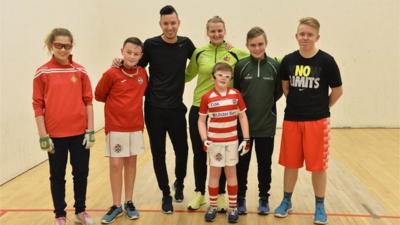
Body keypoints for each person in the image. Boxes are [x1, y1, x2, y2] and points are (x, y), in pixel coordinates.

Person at [111, 5, 195, 213]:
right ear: (160, 24)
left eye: (173, 23)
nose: (169, 27)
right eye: (165, 23)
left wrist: (227, 49)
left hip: (176, 108)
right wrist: (119, 62)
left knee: (182, 151)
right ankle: (165, 194)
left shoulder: (186, 44)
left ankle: (179, 183)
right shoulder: (151, 45)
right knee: (158, 153)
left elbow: (203, 59)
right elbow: (135, 65)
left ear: (178, 23)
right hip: (154, 109)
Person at [273, 17, 343, 225]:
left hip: (317, 122)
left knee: (318, 167)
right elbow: (286, 87)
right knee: (290, 163)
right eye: (301, 34)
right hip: (292, 120)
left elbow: (338, 91)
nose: (305, 38)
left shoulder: (327, 61)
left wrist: (322, 108)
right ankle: (286, 201)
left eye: (309, 35)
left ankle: (319, 206)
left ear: (317, 37)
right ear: (296, 36)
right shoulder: (288, 60)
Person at [32, 28, 95, 225]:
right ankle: (60, 214)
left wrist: (90, 130)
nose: (63, 49)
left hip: (79, 134)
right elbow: (38, 105)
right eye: (59, 45)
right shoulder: (42, 72)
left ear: (71, 46)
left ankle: (80, 211)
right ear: (51, 45)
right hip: (55, 137)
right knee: (57, 176)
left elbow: (88, 101)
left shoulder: (80, 70)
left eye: (67, 45)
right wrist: (43, 135)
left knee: (81, 174)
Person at [185, 16, 248, 212]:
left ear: (225, 31)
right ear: (207, 32)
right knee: (199, 153)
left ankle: (220, 195)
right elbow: (187, 75)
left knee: (222, 154)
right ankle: (200, 194)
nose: (217, 34)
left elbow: (258, 57)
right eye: (213, 31)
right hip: (199, 108)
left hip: (226, 110)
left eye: (220, 30)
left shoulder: (236, 53)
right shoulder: (199, 52)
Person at [95, 37, 148, 223]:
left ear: (141, 56)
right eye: (128, 52)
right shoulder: (111, 73)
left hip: (135, 127)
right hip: (116, 127)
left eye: (136, 53)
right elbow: (99, 95)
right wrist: (111, 68)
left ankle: (129, 202)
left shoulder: (143, 74)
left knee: (131, 164)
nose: (132, 56)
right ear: (122, 52)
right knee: (116, 165)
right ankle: (116, 205)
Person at [233, 26, 283, 215]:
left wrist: (267, 107)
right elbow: (237, 92)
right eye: (253, 45)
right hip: (244, 128)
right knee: (242, 165)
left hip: (266, 126)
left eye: (260, 44)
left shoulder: (274, 66)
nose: (256, 48)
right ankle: (240, 199)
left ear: (266, 43)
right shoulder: (241, 66)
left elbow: (277, 92)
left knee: (265, 165)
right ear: (247, 45)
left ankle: (264, 199)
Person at [198, 63, 251, 223]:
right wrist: (204, 139)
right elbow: (201, 121)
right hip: (215, 143)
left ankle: (233, 207)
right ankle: (213, 206)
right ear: (213, 76)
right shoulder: (207, 97)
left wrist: (246, 139)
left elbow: (242, 117)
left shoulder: (236, 95)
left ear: (231, 79)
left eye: (228, 76)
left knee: (231, 174)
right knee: (214, 175)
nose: (224, 78)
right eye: (221, 75)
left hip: (232, 143)